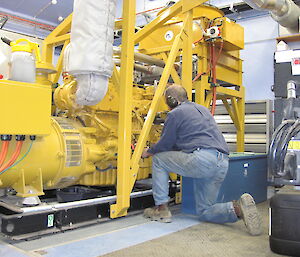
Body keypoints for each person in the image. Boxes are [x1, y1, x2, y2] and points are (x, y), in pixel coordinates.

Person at [141, 84, 262, 236]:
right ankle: (238, 209)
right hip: (222, 162)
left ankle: (161, 209)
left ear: (171, 100)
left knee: (158, 159)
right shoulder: (202, 110)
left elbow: (166, 143)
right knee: (204, 211)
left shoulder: (175, 114)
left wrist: (148, 151)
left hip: (202, 159)